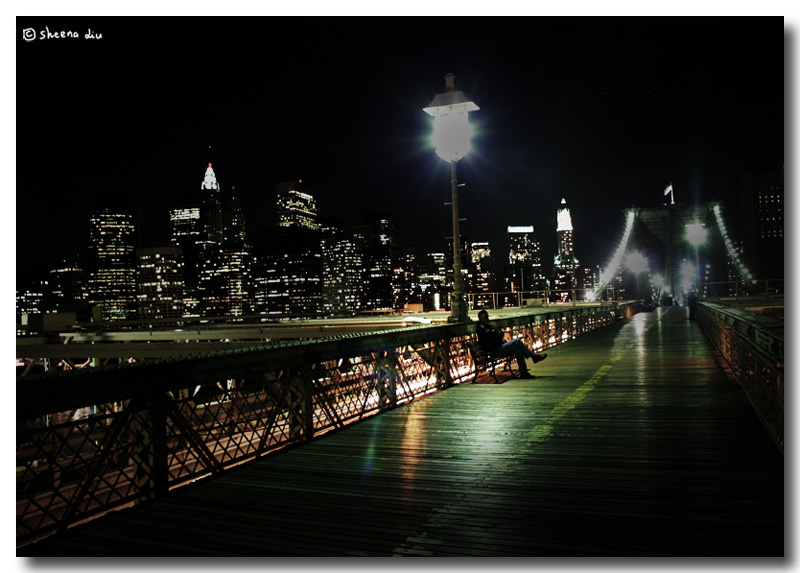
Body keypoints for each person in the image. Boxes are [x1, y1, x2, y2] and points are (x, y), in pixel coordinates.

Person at [475, 309, 547, 379]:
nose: (487, 319)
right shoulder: (481, 328)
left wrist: (496, 334)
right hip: (494, 350)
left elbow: (499, 334)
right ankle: (533, 357)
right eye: (485, 317)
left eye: (487, 317)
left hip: (498, 347)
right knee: (517, 341)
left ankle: (524, 373)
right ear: (480, 318)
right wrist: (496, 334)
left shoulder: (487, 326)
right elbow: (492, 335)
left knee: (518, 351)